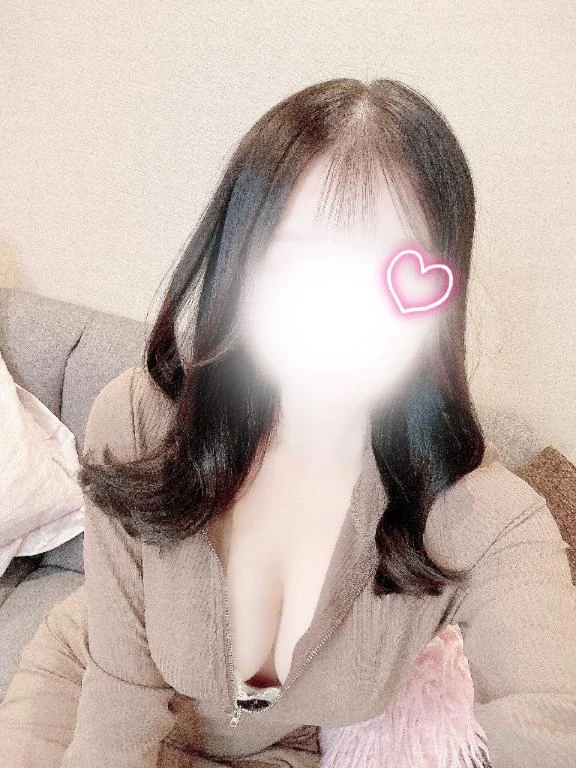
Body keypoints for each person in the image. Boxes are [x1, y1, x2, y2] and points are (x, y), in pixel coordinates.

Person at [0, 77, 574, 768]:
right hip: (88, 697)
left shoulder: (482, 515)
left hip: (278, 749)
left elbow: (549, 720)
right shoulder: (140, 423)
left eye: (392, 272)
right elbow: (118, 704)